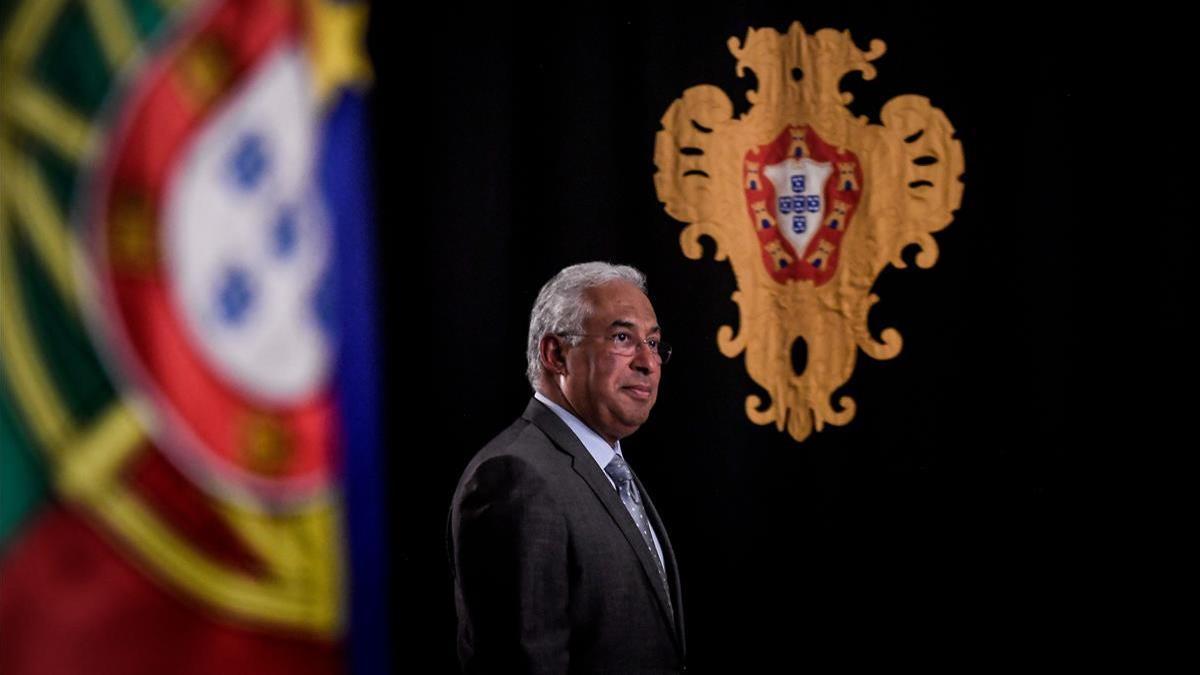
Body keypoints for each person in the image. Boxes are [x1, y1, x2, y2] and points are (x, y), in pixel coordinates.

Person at [449, 262, 686, 674]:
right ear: (556, 354)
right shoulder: (515, 479)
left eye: (653, 342)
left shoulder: (608, 469)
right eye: (622, 338)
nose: (648, 362)